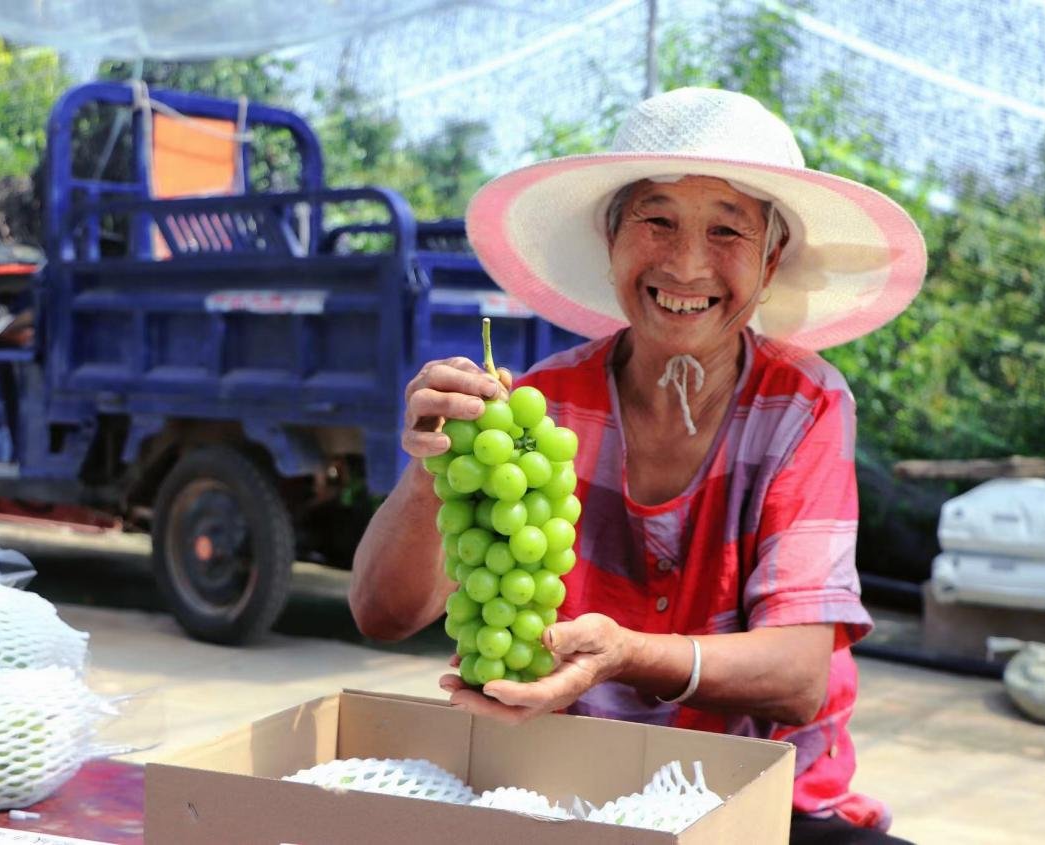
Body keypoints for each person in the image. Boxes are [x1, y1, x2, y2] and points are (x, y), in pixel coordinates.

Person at [350, 87, 926, 844]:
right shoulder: (532, 410)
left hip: (759, 803)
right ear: (612, 240)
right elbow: (382, 614)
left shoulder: (803, 402)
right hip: (564, 791)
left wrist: (623, 653)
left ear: (769, 257)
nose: (686, 264)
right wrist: (431, 468)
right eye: (656, 220)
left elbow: (796, 675)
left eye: (727, 230)